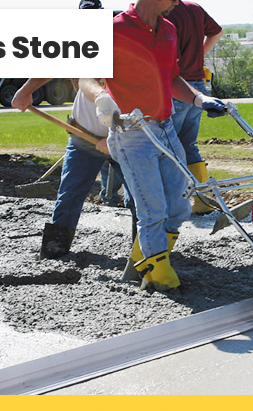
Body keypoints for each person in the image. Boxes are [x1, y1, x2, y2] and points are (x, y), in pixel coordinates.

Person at [79, 0, 226, 292]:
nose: (175, 2)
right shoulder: (114, 29)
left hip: (166, 127)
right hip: (132, 134)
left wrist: (199, 99)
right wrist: (102, 98)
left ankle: (145, 257)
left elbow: (171, 77)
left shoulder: (169, 30)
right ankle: (158, 275)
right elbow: (86, 78)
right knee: (153, 209)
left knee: (180, 206)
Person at [11, 1, 133, 259]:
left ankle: (145, 251)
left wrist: (113, 137)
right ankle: (55, 248)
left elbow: (135, 97)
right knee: (70, 193)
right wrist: (26, 91)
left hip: (126, 138)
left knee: (140, 197)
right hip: (83, 138)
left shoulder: (125, 43)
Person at [165, 1, 223, 214]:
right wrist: (200, 54)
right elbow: (216, 32)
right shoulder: (195, 8)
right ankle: (202, 201)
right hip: (198, 86)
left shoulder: (165, 14)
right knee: (188, 144)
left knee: (169, 147)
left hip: (178, 85)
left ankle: (172, 203)